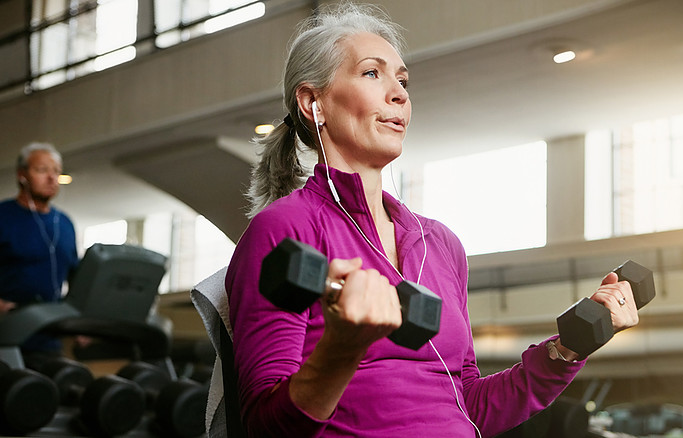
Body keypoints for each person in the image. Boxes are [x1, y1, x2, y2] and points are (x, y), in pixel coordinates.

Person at [225, 3, 639, 437]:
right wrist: (341, 350)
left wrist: (569, 349)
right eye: (372, 73)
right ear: (314, 103)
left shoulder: (441, 244)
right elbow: (264, 428)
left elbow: (468, 407)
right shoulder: (285, 231)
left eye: (402, 80)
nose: (400, 94)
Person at [0, 142, 79, 365]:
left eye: (56, 171)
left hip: (49, 338)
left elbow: (77, 277)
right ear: (22, 175)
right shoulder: (3, 216)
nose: (52, 178)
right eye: (42, 170)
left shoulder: (64, 223)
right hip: (7, 335)